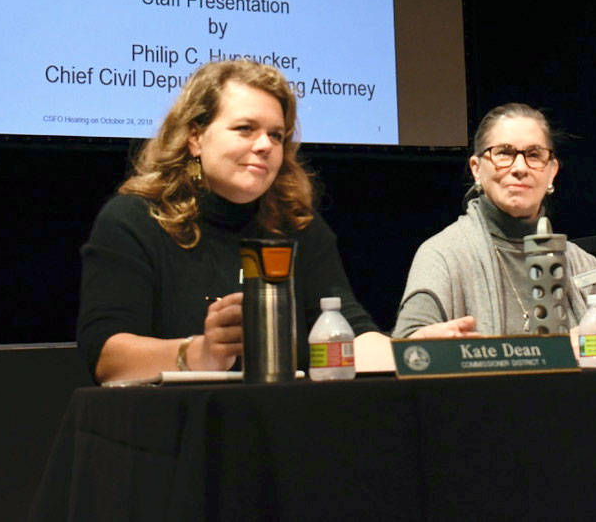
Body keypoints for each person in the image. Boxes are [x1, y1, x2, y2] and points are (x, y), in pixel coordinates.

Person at [77, 59, 382, 383]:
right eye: (245, 129)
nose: (265, 145)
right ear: (195, 137)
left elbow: (350, 332)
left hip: (285, 424)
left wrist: (420, 355)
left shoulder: (297, 226)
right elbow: (107, 358)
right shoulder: (135, 220)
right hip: (169, 425)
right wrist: (199, 354)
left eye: (276, 135)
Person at [393, 103, 596, 359]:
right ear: (476, 169)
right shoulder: (443, 255)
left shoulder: (579, 262)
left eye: (534, 154)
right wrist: (428, 348)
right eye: (503, 153)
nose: (520, 167)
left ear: (552, 171)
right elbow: (407, 348)